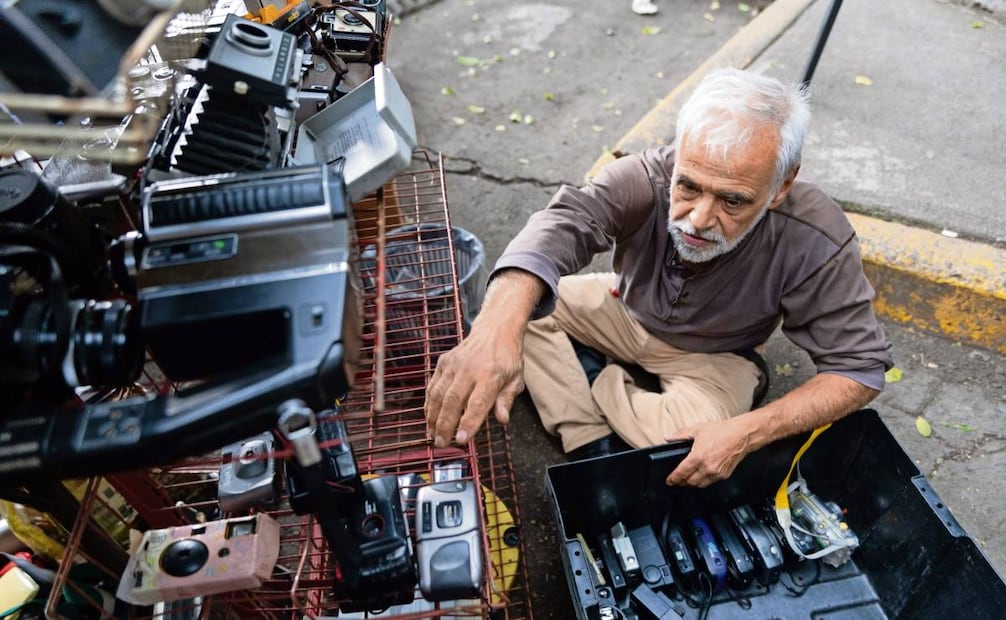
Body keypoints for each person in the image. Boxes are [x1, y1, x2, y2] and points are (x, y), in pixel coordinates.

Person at [424, 68, 893, 487]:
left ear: (781, 186)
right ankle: (590, 438)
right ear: (679, 156)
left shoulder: (817, 236)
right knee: (513, 308)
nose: (700, 219)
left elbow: (858, 370)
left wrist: (747, 433)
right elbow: (565, 221)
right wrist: (492, 330)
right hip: (622, 309)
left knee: (693, 455)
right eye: (688, 186)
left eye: (733, 201)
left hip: (716, 355)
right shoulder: (647, 175)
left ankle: (595, 381)